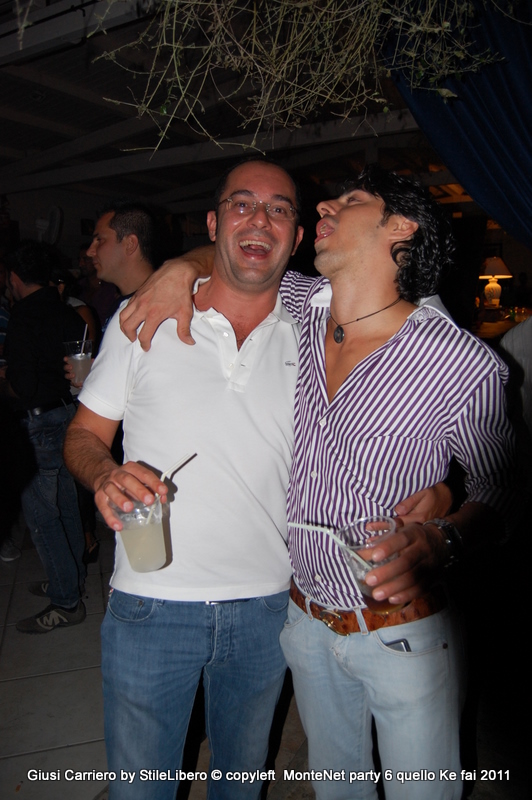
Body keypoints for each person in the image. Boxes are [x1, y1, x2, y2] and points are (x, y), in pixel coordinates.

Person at [119, 163, 514, 800]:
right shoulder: (301, 307)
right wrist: (176, 268)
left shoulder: (460, 363)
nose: (325, 206)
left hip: (402, 631)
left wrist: (442, 539)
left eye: (351, 200)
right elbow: (234, 256)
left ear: (401, 227)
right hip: (305, 623)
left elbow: (502, 491)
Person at [1, 240, 87, 632]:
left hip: (38, 424)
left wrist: (5, 378)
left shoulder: (22, 316)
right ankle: (71, 580)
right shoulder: (65, 311)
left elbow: (23, 385)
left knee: (42, 517)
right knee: (66, 507)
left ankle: (66, 601)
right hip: (68, 415)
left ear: (15, 277)